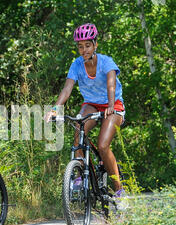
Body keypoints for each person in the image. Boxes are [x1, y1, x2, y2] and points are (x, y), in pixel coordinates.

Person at [44, 23, 125, 200]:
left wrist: (111, 106)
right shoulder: (76, 65)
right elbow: (67, 89)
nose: (84, 50)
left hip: (113, 104)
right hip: (92, 104)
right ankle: (80, 176)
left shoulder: (106, 62)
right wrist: (54, 109)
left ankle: (119, 191)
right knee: (78, 132)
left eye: (87, 45)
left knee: (103, 145)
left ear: (95, 45)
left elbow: (111, 85)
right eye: (80, 46)